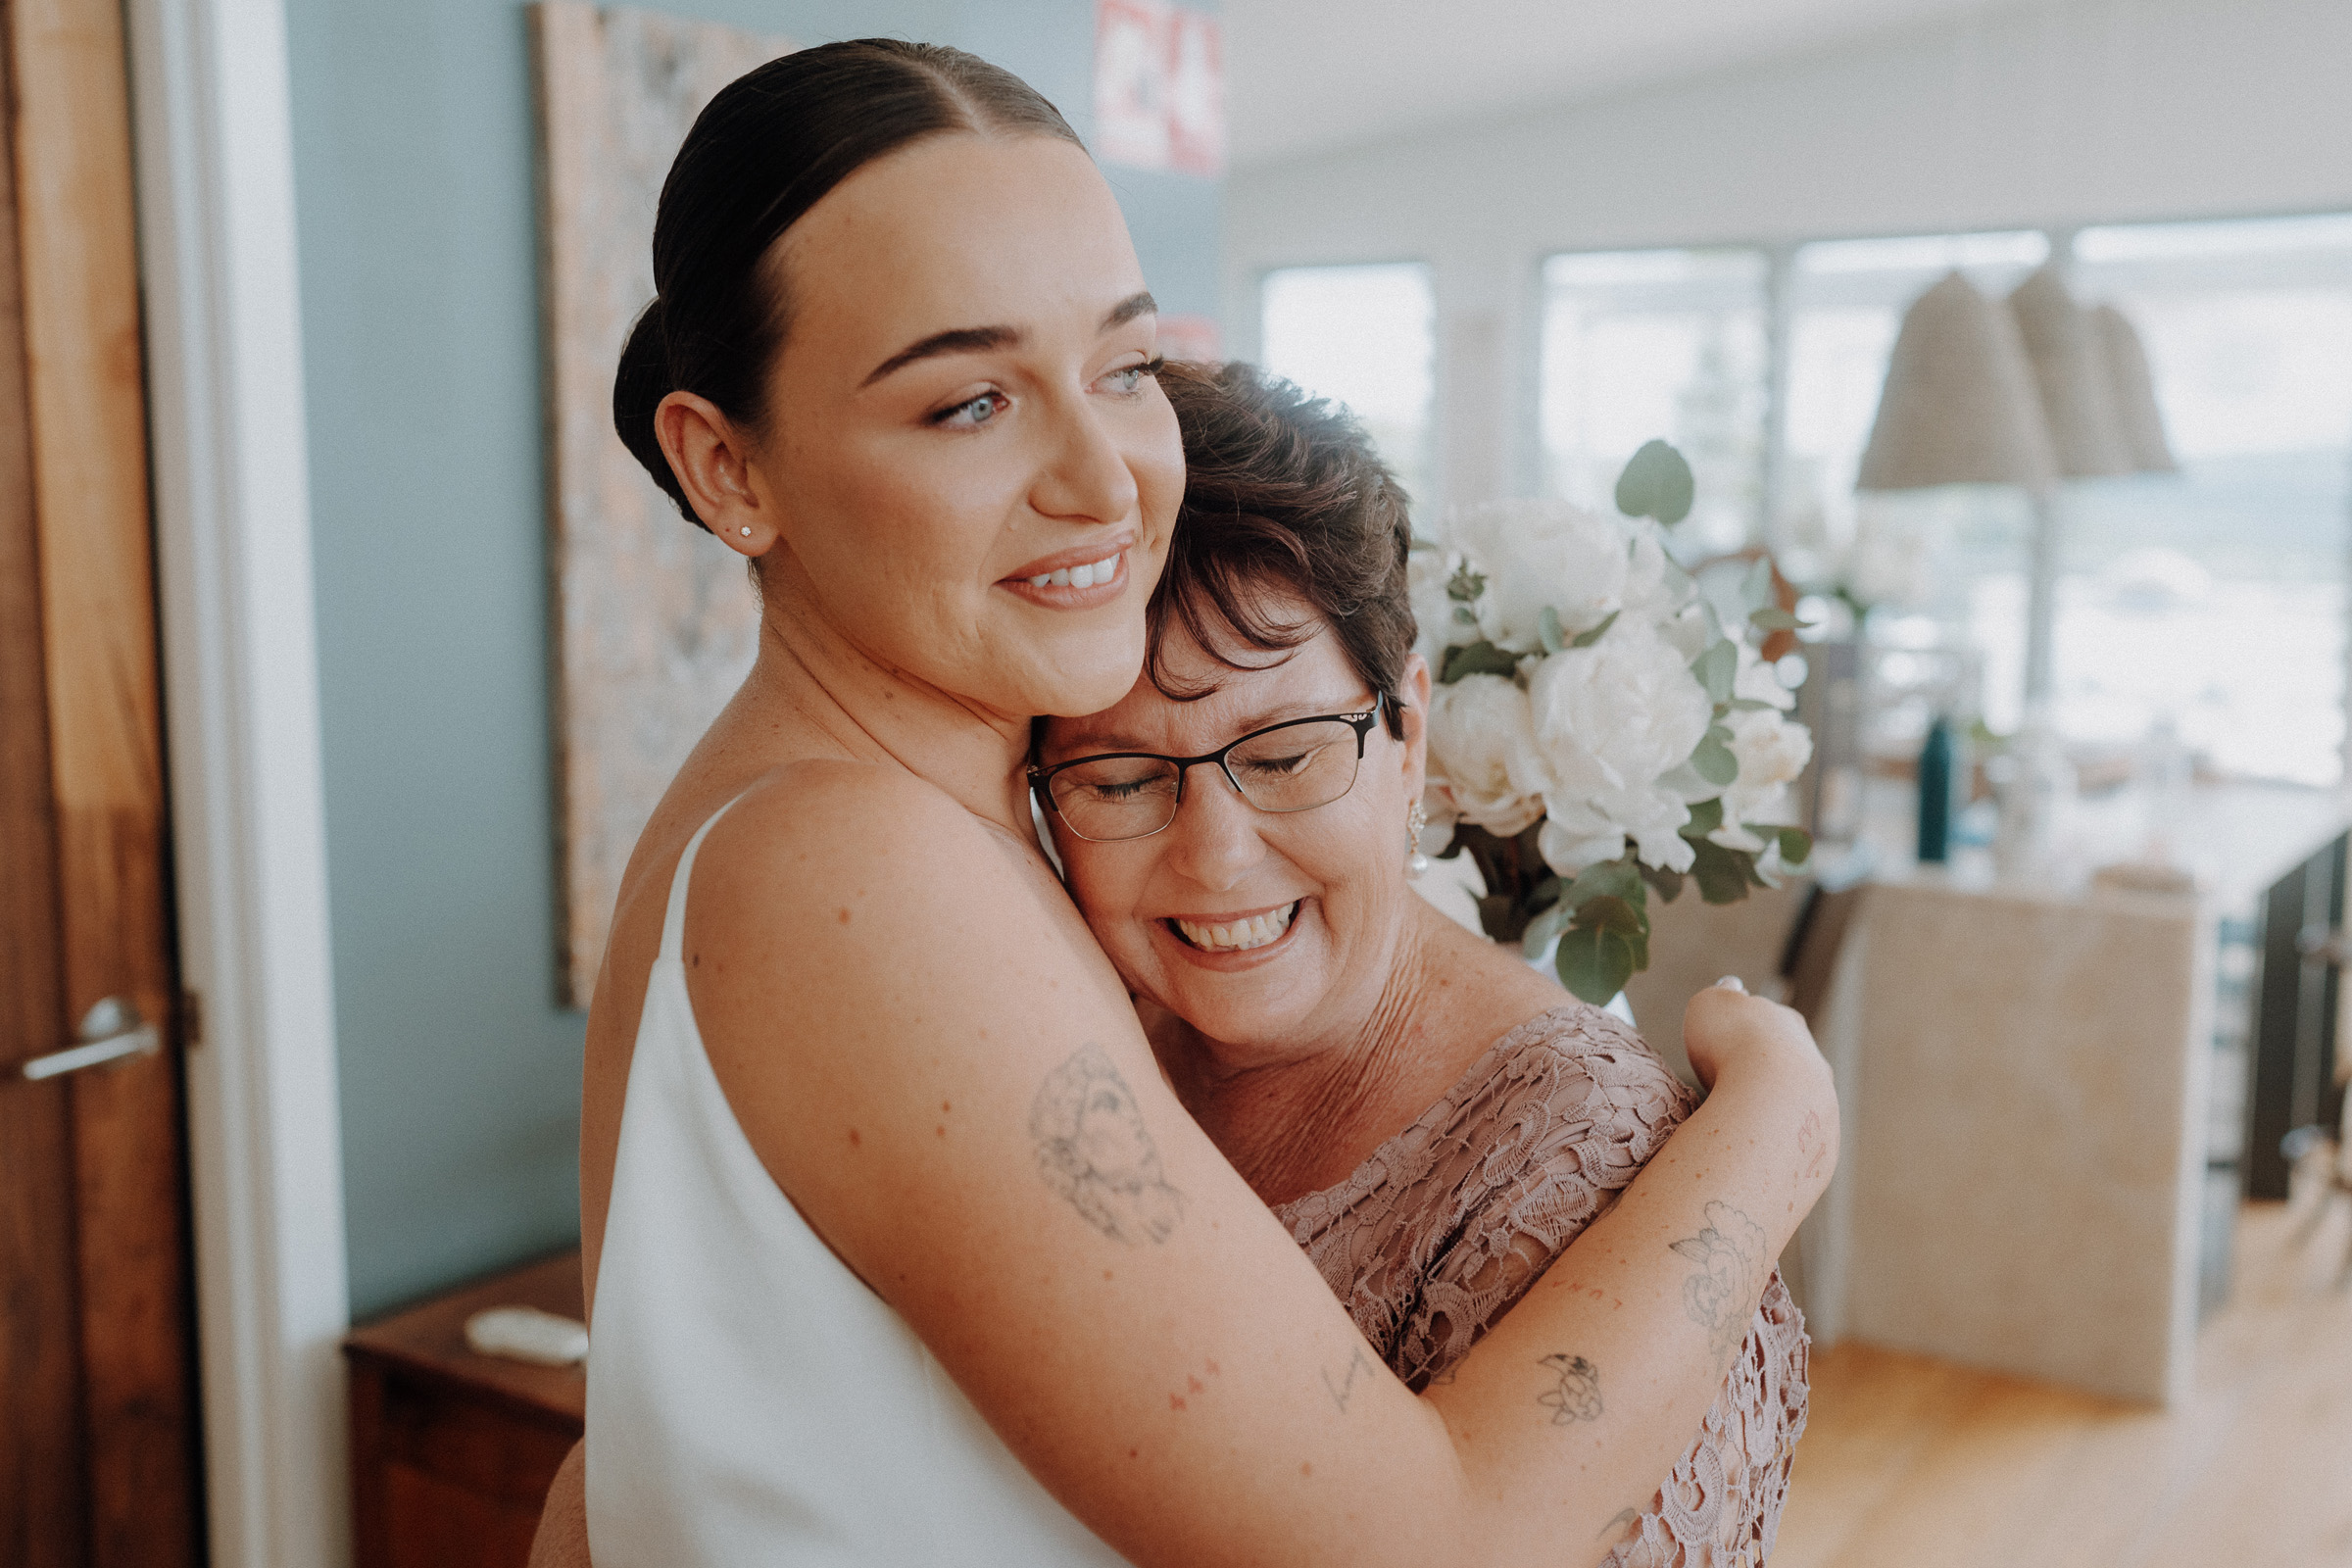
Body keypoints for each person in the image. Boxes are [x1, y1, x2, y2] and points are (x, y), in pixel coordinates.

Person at [536, 38, 1838, 1568]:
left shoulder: (827, 815)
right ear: (724, 466)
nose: (1102, 478)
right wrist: (1775, 1132)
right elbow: (1429, 1548)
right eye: (969, 404)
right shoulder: (864, 873)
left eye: (1125, 368)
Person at [1034, 362, 1812, 1564]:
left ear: (1408, 729)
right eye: (1122, 778)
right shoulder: (1065, 1017)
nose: (1215, 860)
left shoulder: (1585, 1171)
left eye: (1286, 753)